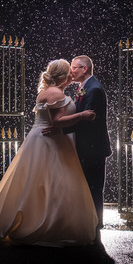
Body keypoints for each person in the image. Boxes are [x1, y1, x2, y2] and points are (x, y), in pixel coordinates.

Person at [0, 59, 99, 247]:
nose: (72, 74)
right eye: (68, 72)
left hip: (46, 139)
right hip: (49, 142)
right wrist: (82, 115)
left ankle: (49, 221)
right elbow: (57, 121)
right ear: (61, 76)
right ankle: (49, 226)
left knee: (40, 183)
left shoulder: (51, 91)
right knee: (53, 182)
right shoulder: (54, 93)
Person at [44, 55, 112, 232]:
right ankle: (87, 221)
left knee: (94, 187)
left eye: (74, 68)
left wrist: (60, 129)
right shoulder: (85, 87)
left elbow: (88, 120)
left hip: (93, 148)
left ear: (85, 69)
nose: (71, 71)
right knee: (86, 186)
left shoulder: (94, 89)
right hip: (85, 147)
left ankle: (96, 224)